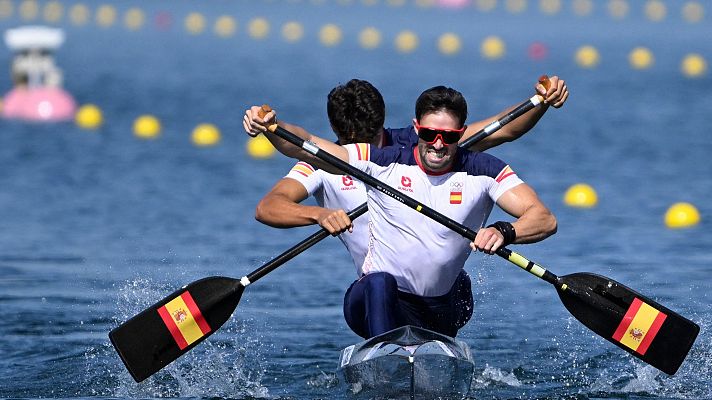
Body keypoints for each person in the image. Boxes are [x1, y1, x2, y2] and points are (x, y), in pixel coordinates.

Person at [243, 85, 558, 340]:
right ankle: (385, 356)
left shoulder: (411, 145)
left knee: (459, 283)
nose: (437, 143)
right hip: (376, 295)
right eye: (430, 135)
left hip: (439, 298)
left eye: (448, 137)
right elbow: (300, 151)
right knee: (381, 282)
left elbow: (497, 131)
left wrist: (540, 102)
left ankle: (431, 351)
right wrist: (271, 127)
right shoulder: (350, 158)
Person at [255, 78, 567, 271]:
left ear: (383, 125)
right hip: (376, 288)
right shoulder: (326, 161)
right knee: (376, 293)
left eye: (371, 140)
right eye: (352, 143)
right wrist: (317, 215)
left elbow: (503, 128)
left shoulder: (421, 142)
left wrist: (540, 101)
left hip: (440, 287)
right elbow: (270, 205)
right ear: (337, 134)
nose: (361, 153)